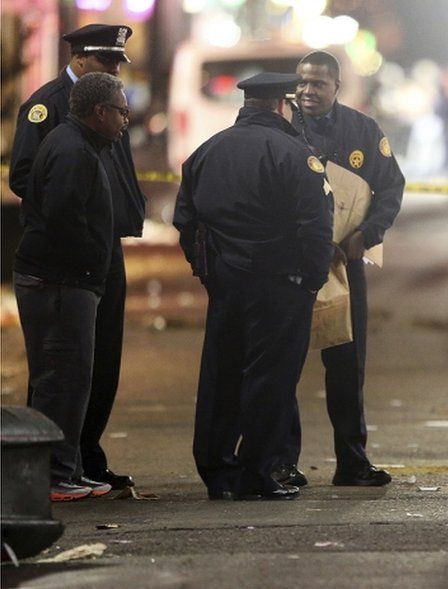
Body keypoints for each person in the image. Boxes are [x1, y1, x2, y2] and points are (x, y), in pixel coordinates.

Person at [173, 73, 334, 500]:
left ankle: (216, 470)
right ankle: (258, 472)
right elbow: (316, 227)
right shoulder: (295, 154)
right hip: (281, 285)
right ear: (284, 105)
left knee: (220, 375)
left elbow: (186, 222)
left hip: (226, 283)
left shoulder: (206, 152)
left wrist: (207, 270)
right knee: (270, 380)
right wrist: (312, 279)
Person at [9, 24, 146, 490]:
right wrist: (74, 240)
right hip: (70, 257)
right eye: (106, 61)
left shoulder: (109, 102)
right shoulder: (51, 105)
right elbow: (26, 177)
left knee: (99, 358)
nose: (114, 68)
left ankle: (84, 453)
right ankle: (51, 464)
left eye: (117, 62)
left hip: (102, 245)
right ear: (81, 59)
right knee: (61, 364)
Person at [275, 50, 405, 488]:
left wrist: (368, 233)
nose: (308, 92)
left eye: (318, 84)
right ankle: (282, 462)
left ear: (337, 87)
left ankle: (352, 462)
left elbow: (391, 186)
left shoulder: (362, 130)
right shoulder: (282, 125)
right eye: (303, 83)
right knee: (284, 363)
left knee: (347, 367)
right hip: (292, 266)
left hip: (344, 266)